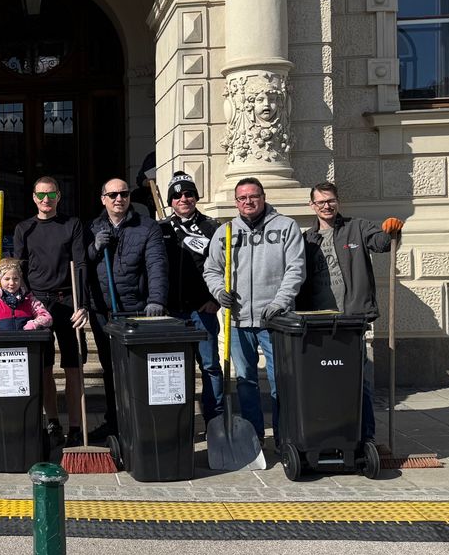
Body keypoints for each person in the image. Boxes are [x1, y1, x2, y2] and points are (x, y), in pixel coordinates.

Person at [202, 177, 305, 453]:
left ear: (263, 196)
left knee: (280, 381)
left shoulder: (286, 227)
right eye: (242, 198)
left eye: (253, 196)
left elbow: (296, 269)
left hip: (275, 321)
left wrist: (280, 302)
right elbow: (211, 269)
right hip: (238, 321)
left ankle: (285, 437)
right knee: (246, 382)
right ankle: (254, 437)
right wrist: (218, 292)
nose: (248, 202)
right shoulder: (225, 231)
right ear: (236, 202)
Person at [298, 181, 404, 444]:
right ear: (312, 205)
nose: (326, 206)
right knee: (324, 380)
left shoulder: (357, 227)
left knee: (359, 380)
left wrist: (392, 231)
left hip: (352, 319)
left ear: (338, 202)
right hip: (319, 321)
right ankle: (330, 432)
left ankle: (365, 437)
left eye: (330, 200)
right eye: (321, 202)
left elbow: (381, 243)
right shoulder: (306, 239)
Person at [84, 177, 167, 441]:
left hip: (136, 310)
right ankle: (114, 421)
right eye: (113, 195)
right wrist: (94, 248)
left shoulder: (147, 226)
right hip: (103, 311)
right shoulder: (92, 228)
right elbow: (80, 265)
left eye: (124, 194)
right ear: (103, 199)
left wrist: (156, 300)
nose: (119, 198)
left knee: (136, 369)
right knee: (110, 368)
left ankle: (139, 421)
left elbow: (156, 264)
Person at [13, 176, 88, 433]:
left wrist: (83, 304)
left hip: (68, 300)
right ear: (34, 198)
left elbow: (80, 264)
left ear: (59, 196)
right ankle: (53, 422)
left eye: (52, 194)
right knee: (43, 367)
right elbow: (19, 268)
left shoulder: (72, 224)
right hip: (37, 302)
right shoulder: (24, 228)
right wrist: (23, 302)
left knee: (73, 366)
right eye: (42, 195)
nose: (47, 199)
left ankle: (76, 427)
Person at [156, 173, 224, 428]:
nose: (183, 198)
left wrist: (215, 299)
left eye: (188, 194)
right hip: (172, 313)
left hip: (202, 310)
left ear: (195, 197)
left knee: (210, 366)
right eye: (177, 195)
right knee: (175, 369)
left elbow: (227, 266)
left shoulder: (212, 227)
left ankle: (215, 421)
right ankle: (180, 423)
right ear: (170, 201)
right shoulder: (161, 228)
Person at [0, 258, 53, 331]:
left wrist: (33, 325)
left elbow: (47, 317)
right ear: (0, 279)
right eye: (7, 279)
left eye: (15, 278)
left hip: (25, 340)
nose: (12, 283)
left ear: (20, 279)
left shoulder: (29, 299)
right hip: (0, 341)